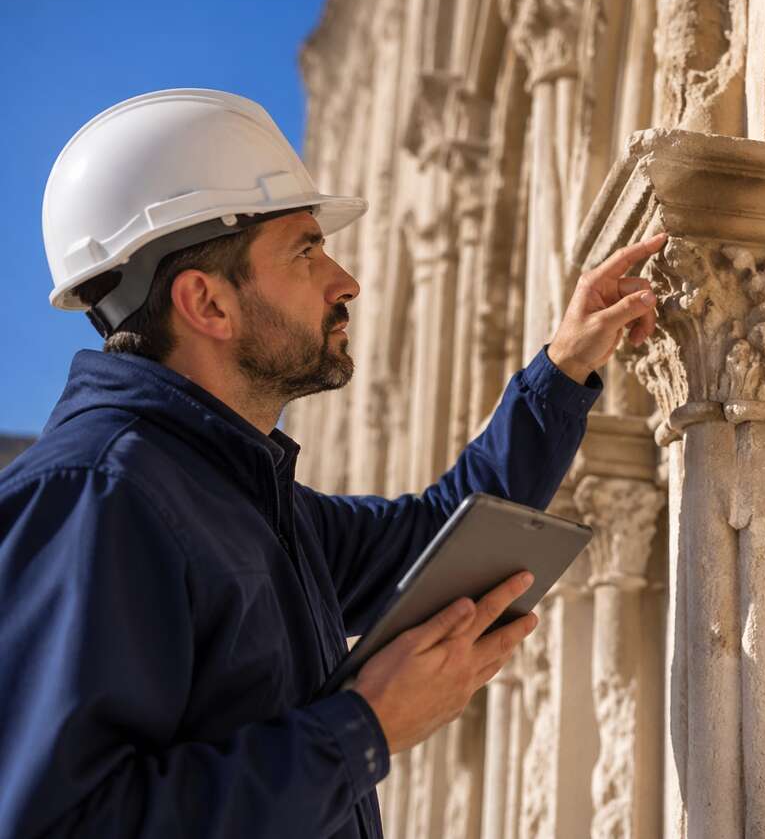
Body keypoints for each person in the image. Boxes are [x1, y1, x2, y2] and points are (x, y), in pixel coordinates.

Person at [0, 89, 666, 838]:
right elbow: (61, 822)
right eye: (306, 250)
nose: (345, 279)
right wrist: (365, 724)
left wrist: (564, 368)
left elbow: (433, 538)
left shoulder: (237, 496)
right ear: (207, 304)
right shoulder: (95, 494)